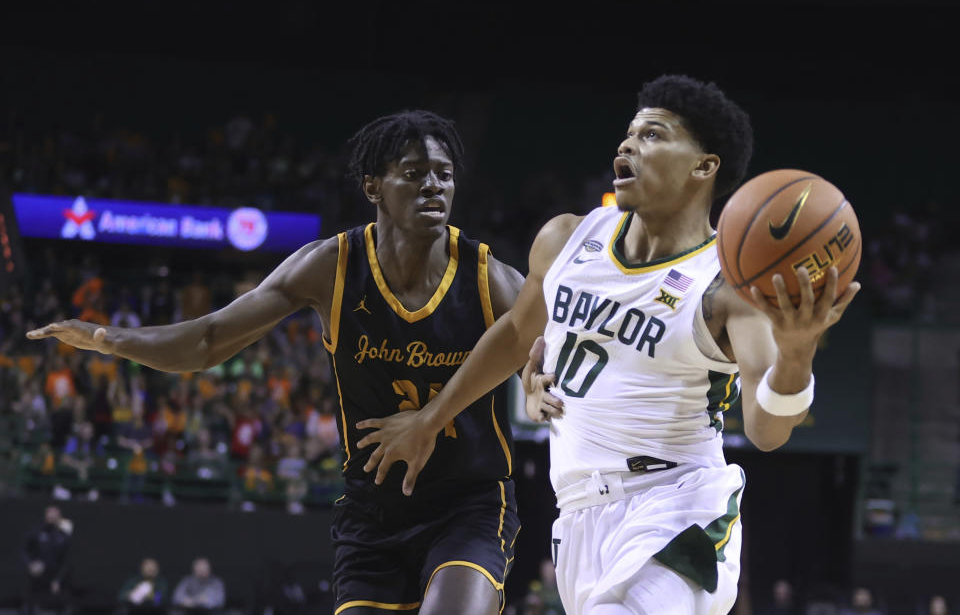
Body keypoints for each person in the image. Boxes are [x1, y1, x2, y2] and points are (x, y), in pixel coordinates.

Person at [354, 76, 861, 615]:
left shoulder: (729, 286)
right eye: (628, 133)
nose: (627, 144)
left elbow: (767, 430)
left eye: (653, 135)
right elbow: (514, 335)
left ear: (704, 166)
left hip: (679, 510)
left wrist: (798, 355)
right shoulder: (567, 237)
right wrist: (432, 418)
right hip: (576, 518)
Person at [28, 110, 525, 615]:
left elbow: (541, 345)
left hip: (468, 502)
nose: (434, 186)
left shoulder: (491, 278)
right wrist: (111, 339)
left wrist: (538, 376)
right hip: (374, 511)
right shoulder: (331, 266)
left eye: (444, 174)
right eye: (415, 173)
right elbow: (209, 340)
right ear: (373, 187)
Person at [21, 505, 72, 615]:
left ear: (59, 517)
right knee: (28, 606)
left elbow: (66, 561)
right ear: (45, 516)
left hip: (55, 579)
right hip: (37, 578)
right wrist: (30, 564)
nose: (51, 518)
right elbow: (24, 551)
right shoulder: (36, 532)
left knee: (64, 606)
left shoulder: (64, 537)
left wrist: (58, 580)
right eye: (50, 515)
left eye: (55, 516)